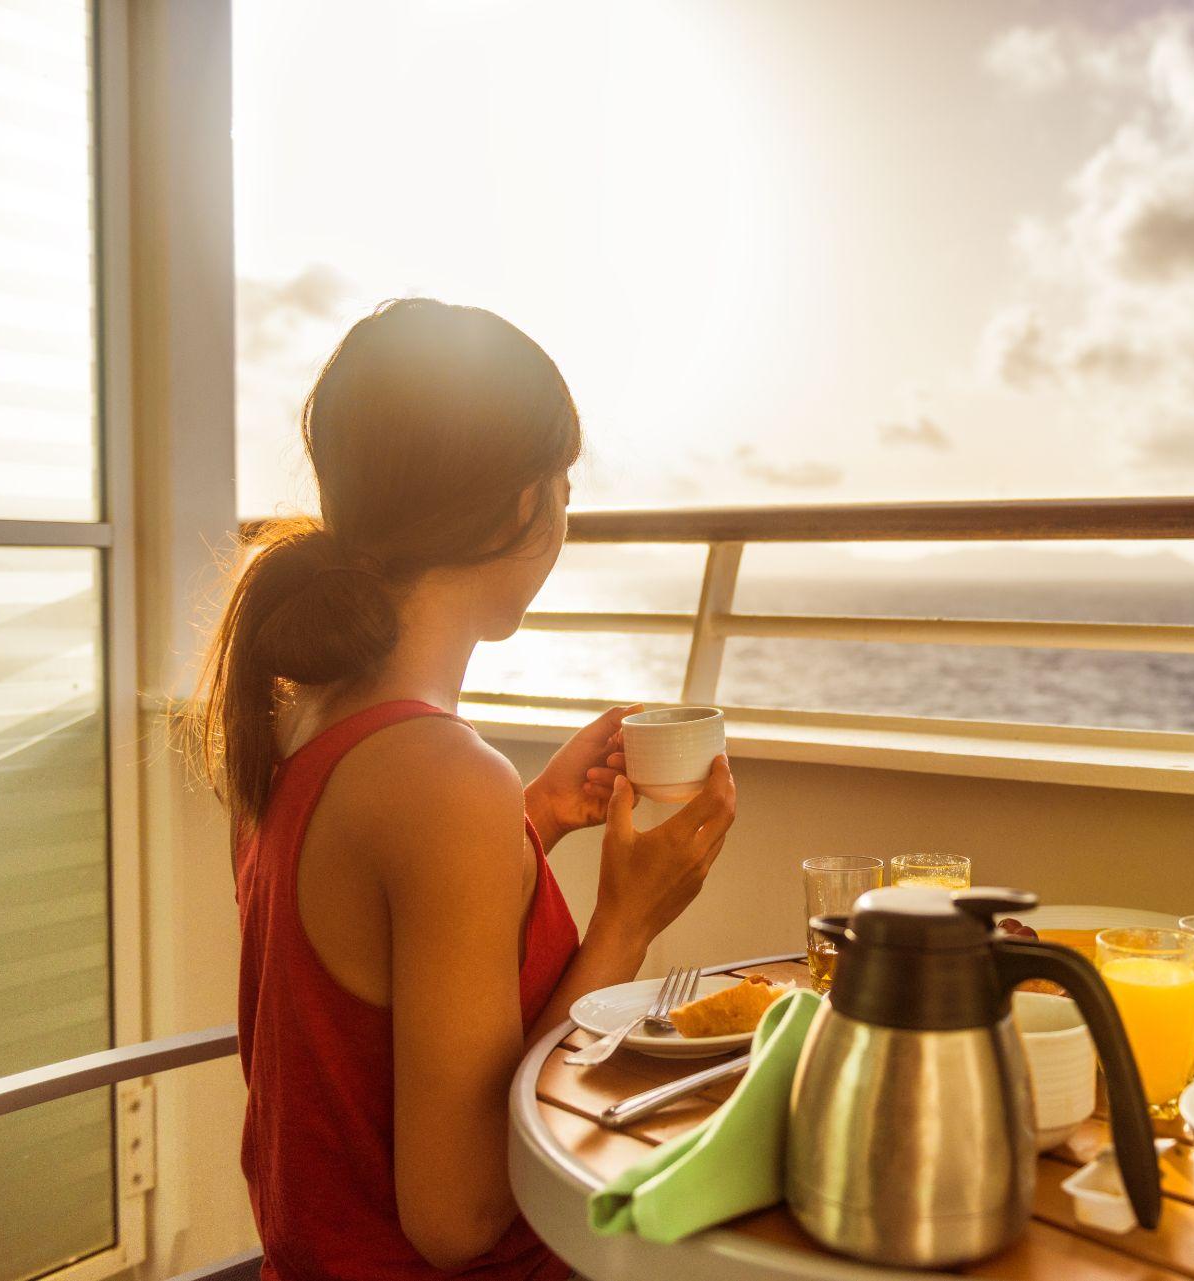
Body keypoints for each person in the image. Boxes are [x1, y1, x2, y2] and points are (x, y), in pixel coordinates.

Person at [187, 298, 736, 1280]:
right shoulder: (442, 783)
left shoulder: (294, 713)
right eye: (563, 484)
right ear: (524, 502)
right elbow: (462, 1214)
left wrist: (531, 820)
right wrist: (627, 923)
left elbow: (359, 954)